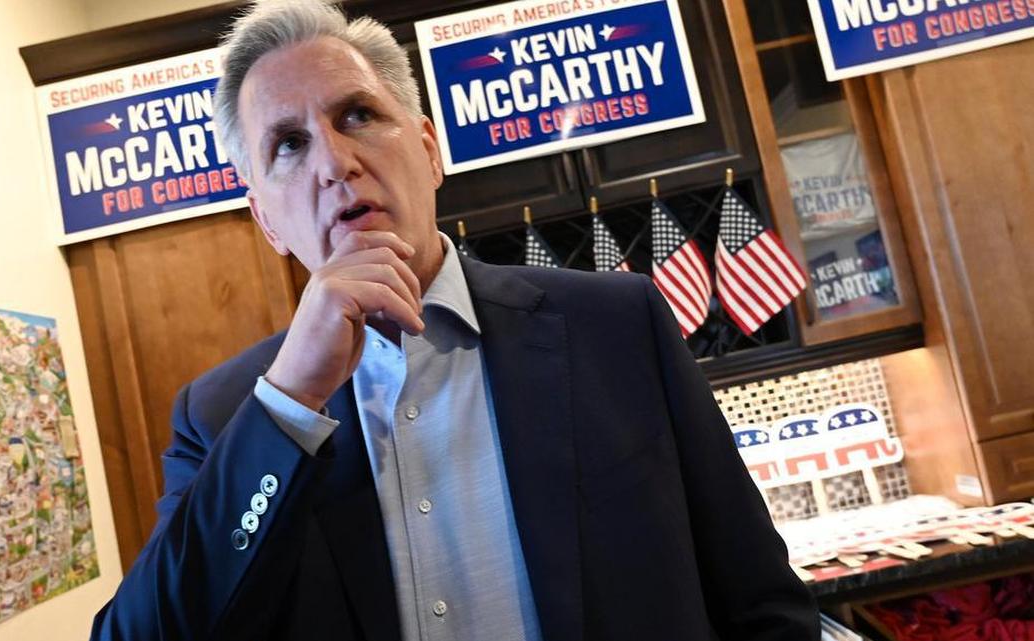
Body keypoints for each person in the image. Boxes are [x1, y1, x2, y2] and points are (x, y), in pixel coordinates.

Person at [91, 1, 820, 639]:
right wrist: (287, 406)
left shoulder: (616, 326)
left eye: (358, 115)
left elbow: (762, 604)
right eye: (288, 144)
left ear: (429, 150)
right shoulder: (225, 415)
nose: (335, 163)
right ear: (266, 220)